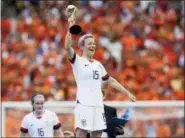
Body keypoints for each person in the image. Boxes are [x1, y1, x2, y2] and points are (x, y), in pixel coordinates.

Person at [65, 6, 136, 138]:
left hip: (97, 104)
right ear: (82, 46)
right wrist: (70, 27)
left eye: (94, 43)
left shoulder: (98, 65)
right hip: (84, 103)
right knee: (81, 132)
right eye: (89, 43)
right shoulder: (77, 61)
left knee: (97, 133)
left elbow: (111, 80)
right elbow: (67, 47)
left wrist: (127, 92)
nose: (92, 45)